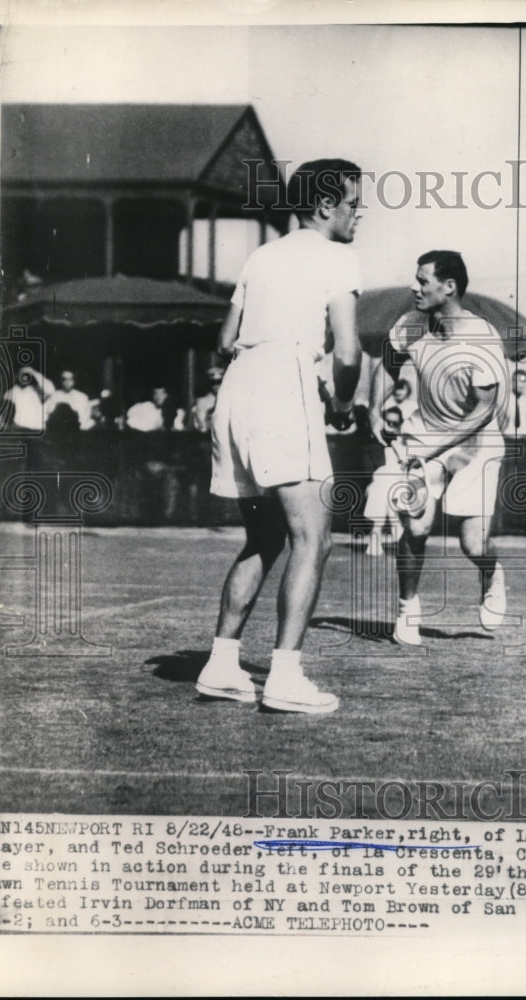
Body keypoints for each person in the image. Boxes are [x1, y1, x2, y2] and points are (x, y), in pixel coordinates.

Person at [196, 158, 363, 714]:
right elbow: (347, 351)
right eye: (352, 204)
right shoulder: (338, 258)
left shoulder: (261, 255)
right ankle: (285, 678)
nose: (357, 215)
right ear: (324, 206)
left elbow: (224, 339)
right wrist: (340, 403)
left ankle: (221, 665)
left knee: (265, 538)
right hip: (284, 389)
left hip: (238, 389)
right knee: (314, 539)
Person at [372, 250, 510, 645]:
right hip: (424, 435)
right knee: (416, 526)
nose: (414, 288)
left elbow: (483, 411)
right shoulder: (410, 324)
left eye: (422, 281)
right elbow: (387, 363)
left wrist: (437, 452)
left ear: (449, 288)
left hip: (477, 444)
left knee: (472, 543)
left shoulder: (481, 336)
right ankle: (407, 610)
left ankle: (491, 573)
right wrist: (373, 410)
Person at [362, 405, 405, 556]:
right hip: (378, 488)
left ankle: (376, 534)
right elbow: (368, 474)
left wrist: (396, 446)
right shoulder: (373, 447)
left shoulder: (404, 446)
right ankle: (397, 529)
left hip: (402, 488)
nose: (391, 427)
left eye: (395, 423)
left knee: (386, 488)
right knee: (381, 486)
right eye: (388, 422)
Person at [1, 365, 54, 432]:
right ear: (16, 376)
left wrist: (33, 372)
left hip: (38, 429)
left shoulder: (36, 391)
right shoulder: (10, 393)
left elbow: (51, 390)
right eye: (22, 375)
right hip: (19, 428)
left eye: (27, 375)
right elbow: (4, 413)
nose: (25, 377)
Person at [504, 368, 526, 437]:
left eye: (522, 381)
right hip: (507, 435)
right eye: (516, 381)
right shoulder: (504, 399)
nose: (519, 384)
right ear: (512, 382)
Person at [189, 366, 225, 432]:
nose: (217, 386)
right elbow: (201, 426)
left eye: (219, 382)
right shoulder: (201, 402)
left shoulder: (228, 401)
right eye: (213, 383)